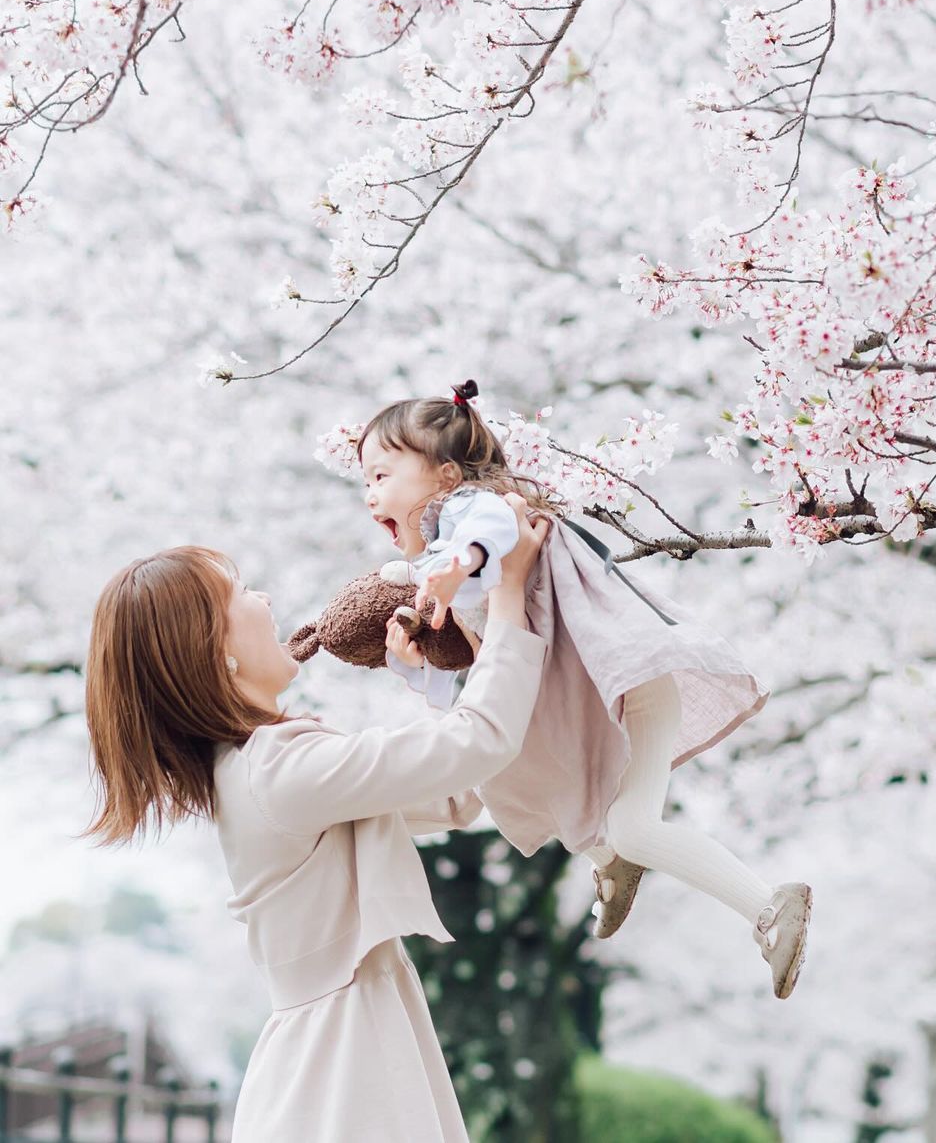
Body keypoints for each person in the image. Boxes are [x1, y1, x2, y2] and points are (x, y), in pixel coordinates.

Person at [83, 501, 549, 1143]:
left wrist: (426, 684)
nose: (267, 599)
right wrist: (508, 591)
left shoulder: (257, 768)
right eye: (243, 593)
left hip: (334, 1052)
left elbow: (458, 793)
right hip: (343, 1065)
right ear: (217, 652)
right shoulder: (278, 768)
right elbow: (481, 747)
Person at [360, 381, 812, 999]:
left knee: (624, 824)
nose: (370, 496)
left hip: (633, 685)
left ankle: (768, 906)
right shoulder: (441, 565)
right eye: (365, 482)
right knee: (518, 783)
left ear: (442, 476)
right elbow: (476, 673)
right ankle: (613, 865)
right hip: (586, 699)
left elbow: (492, 525)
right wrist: (415, 664)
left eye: (381, 475)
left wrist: (459, 563)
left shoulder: (480, 512)